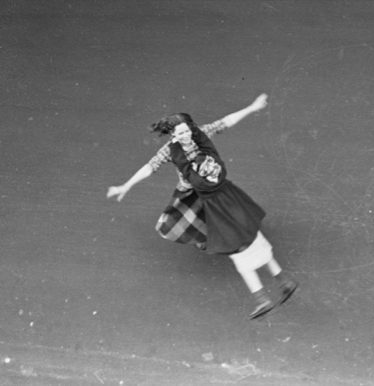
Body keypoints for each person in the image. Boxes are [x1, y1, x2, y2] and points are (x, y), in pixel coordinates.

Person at [107, 94, 297, 319]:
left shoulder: (201, 134)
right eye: (180, 133)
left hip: (215, 196)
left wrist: (252, 108)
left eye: (187, 130)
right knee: (189, 222)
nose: (186, 135)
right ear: (173, 135)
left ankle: (264, 295)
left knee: (231, 239)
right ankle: (278, 284)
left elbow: (225, 122)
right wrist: (126, 186)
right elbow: (150, 167)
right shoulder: (169, 150)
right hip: (193, 193)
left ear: (191, 128)